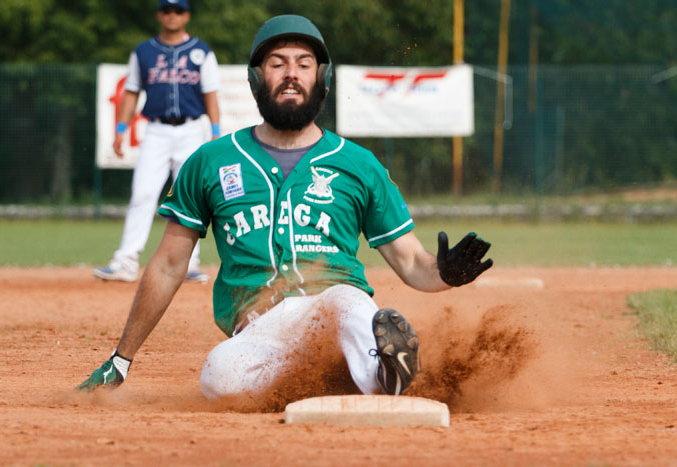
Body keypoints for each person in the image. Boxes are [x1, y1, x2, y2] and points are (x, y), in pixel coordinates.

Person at [77, 15, 492, 406]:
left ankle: (383, 373)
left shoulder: (359, 164)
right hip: (259, 330)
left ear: (321, 78)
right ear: (258, 78)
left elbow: (410, 260)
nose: (291, 73)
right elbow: (168, 266)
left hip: (335, 305)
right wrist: (121, 359)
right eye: (277, 63)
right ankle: (337, 375)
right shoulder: (210, 162)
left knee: (347, 302)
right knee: (218, 374)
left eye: (304, 64)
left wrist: (445, 273)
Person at [93, 0, 221, 284]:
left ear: (186, 15)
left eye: (177, 10)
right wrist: (121, 129)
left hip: (190, 130)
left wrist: (215, 131)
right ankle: (125, 261)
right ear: (159, 15)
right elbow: (131, 91)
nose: (172, 15)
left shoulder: (201, 51)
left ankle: (189, 263)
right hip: (156, 131)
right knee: (142, 193)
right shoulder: (144, 51)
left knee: (190, 197)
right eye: (167, 10)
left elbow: (210, 93)